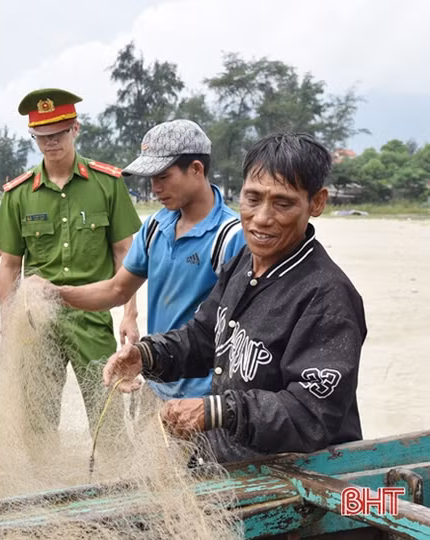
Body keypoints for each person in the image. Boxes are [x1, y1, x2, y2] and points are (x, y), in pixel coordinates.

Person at [102, 132, 366, 463]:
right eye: (252, 199)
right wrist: (148, 355)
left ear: (316, 203)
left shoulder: (327, 297)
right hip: (226, 461)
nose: (262, 218)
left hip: (290, 476)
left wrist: (217, 410)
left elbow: (310, 413)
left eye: (283, 203)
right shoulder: (244, 262)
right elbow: (203, 337)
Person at [37, 120, 245, 400]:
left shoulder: (232, 237)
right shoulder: (155, 227)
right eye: (151, 179)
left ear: (196, 169)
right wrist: (57, 293)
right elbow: (117, 289)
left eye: (163, 177)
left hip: (205, 397)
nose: (155, 188)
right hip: (157, 385)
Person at [0, 88, 142, 444]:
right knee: (37, 421)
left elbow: (125, 254)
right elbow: (9, 266)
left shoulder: (107, 184)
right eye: (42, 136)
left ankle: (114, 475)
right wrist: (7, 329)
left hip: (92, 315)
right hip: (38, 321)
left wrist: (130, 315)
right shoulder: (18, 194)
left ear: (75, 129)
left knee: (107, 416)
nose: (51, 142)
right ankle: (44, 477)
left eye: (58, 133)